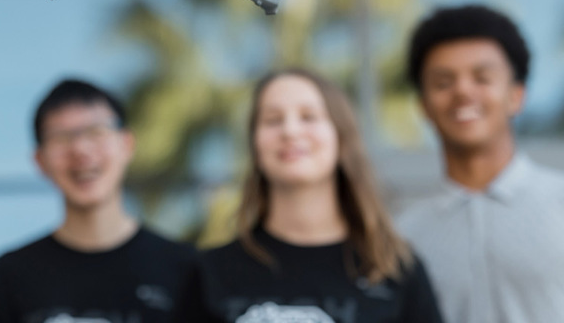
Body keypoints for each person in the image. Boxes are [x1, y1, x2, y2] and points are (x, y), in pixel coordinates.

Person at [397, 5, 564, 323]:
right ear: (423, 105)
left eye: (482, 78)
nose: (463, 91)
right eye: (443, 82)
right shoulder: (402, 236)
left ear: (516, 95)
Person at [175, 69, 444, 323]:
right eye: (272, 120)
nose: (290, 131)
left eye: (308, 116)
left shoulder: (396, 270)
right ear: (255, 145)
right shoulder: (210, 273)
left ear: (341, 137)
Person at [0, 79, 196, 323]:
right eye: (61, 137)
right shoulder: (6, 278)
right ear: (40, 160)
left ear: (127, 144)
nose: (80, 149)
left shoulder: (186, 269)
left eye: (96, 132)